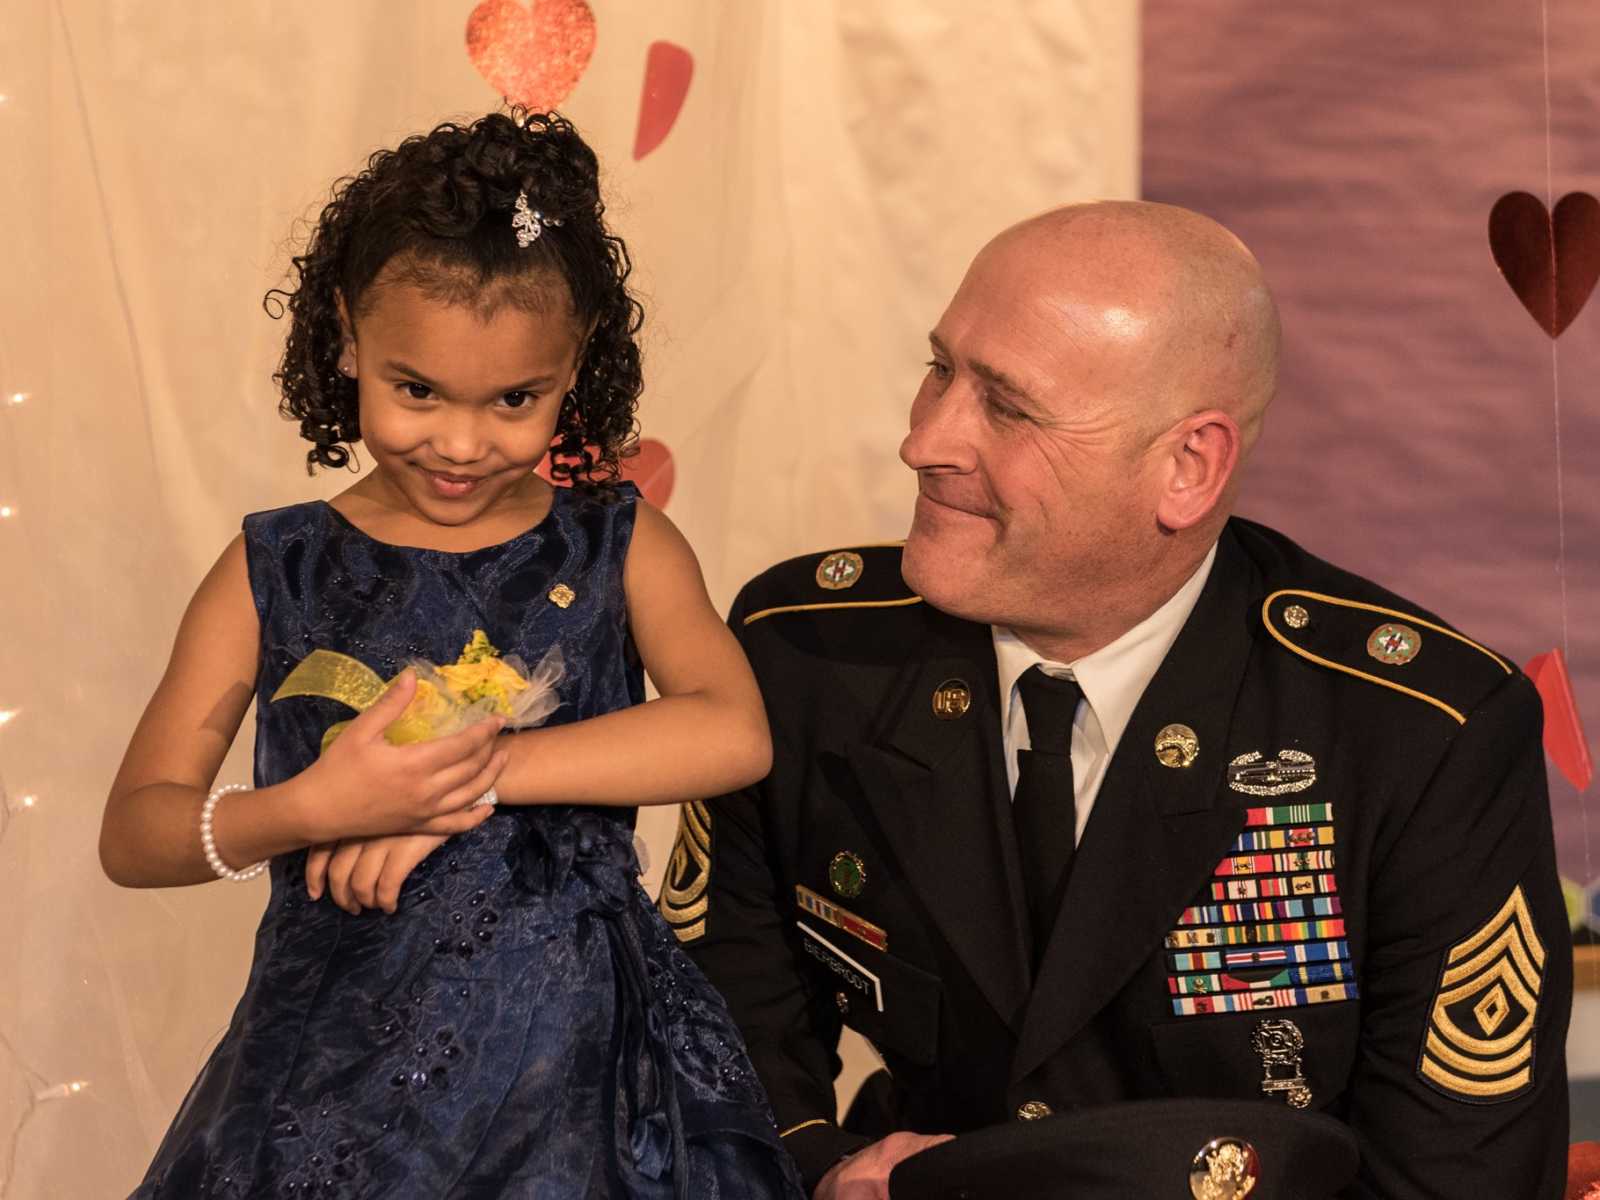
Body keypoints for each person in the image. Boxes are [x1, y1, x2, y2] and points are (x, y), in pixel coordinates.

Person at [661, 201, 1571, 1199]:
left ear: (1186, 468)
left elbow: (1456, 1174)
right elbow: (719, 1020)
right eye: (939, 371)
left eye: (1006, 406)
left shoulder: (1416, 731)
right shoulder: (809, 649)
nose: (923, 439)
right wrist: (823, 1171)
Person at [102, 111, 804, 1199]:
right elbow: (137, 832)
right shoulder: (273, 566)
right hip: (332, 1085)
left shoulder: (619, 542)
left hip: (582, 1076)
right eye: (416, 389)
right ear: (344, 338)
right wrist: (318, 805)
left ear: (574, 365)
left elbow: (731, 730)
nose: (464, 442)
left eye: (514, 400)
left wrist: (450, 782)